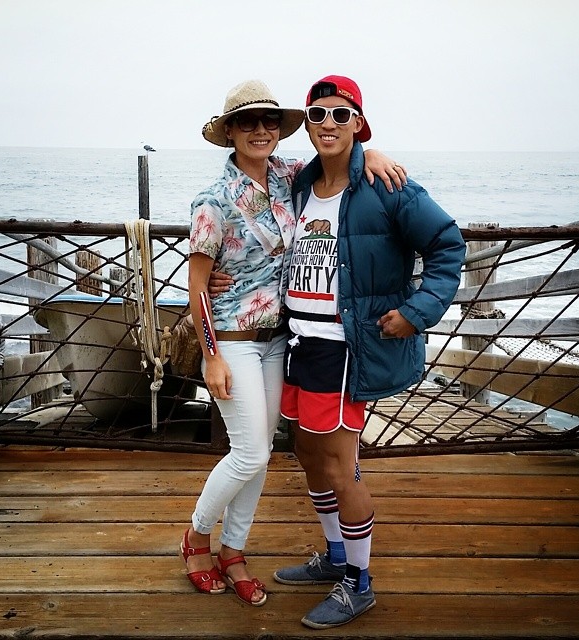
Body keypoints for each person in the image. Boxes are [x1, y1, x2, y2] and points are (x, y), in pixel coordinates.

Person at [183, 79, 406, 607]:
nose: (260, 130)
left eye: (269, 121)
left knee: (260, 457)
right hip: (234, 341)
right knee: (250, 452)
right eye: (247, 122)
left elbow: (340, 163)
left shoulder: (290, 177)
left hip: (283, 340)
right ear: (230, 132)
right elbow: (197, 288)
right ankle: (196, 536)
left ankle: (234, 551)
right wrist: (211, 356)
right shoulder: (213, 201)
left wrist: (370, 150)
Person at [271, 75, 466, 629]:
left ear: (358, 122)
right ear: (307, 125)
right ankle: (336, 556)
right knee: (308, 455)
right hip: (299, 344)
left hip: (345, 349)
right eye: (317, 115)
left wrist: (417, 311)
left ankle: (359, 583)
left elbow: (447, 245)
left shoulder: (388, 185)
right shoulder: (300, 183)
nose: (328, 123)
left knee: (340, 466)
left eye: (341, 114)